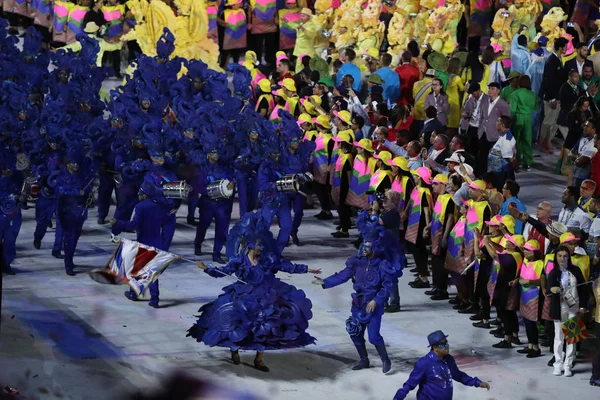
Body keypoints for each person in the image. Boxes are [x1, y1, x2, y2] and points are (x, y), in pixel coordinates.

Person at [189, 211, 320, 373]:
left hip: (266, 295)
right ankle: (235, 349)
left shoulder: (268, 259)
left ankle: (259, 358)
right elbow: (222, 272)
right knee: (236, 324)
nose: (260, 248)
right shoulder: (239, 260)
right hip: (244, 295)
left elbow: (287, 266)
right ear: (249, 245)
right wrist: (206, 269)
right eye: (257, 245)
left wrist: (307, 269)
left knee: (268, 327)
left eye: (261, 244)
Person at [314, 212, 403, 374]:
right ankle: (364, 360)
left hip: (373, 306)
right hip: (358, 303)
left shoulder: (382, 265)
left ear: (375, 247)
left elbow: (387, 287)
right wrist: (325, 282)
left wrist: (376, 300)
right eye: (363, 245)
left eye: (368, 246)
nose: (364, 248)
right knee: (354, 332)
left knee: (374, 337)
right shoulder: (356, 262)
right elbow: (343, 275)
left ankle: (385, 359)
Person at [111, 182, 164, 308]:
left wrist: (117, 223)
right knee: (152, 272)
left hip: (144, 242)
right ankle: (155, 299)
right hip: (157, 242)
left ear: (144, 194)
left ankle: (133, 294)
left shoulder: (140, 207)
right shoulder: (159, 206)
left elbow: (133, 225)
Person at [393, 330, 490, 399]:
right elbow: (410, 384)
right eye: (443, 344)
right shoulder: (424, 363)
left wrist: (476, 382)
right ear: (435, 347)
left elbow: (458, 375)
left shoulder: (449, 360)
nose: (447, 346)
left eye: (447, 343)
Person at [547, 246, 589, 377]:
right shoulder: (554, 272)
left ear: (568, 257)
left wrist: (583, 306)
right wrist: (552, 290)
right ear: (556, 257)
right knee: (558, 337)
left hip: (574, 307)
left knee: (572, 337)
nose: (562, 258)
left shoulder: (575, 270)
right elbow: (549, 288)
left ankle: (568, 365)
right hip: (559, 308)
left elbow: (584, 290)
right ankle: (558, 364)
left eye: (565, 256)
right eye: (559, 256)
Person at [513, 239, 545, 358]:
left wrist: (529, 281)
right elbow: (522, 276)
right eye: (524, 249)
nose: (525, 252)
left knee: (532, 322)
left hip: (534, 296)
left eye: (528, 250)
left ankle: (536, 347)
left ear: (535, 252)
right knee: (526, 321)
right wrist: (517, 281)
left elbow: (542, 281)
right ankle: (530, 345)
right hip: (524, 295)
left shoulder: (541, 264)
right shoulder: (525, 261)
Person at [428, 174, 455, 301]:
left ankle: (442, 289)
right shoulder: (439, 198)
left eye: (435, 183)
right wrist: (427, 227)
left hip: (442, 235)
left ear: (443, 185)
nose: (432, 186)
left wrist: (445, 236)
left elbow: (450, 218)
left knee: (441, 263)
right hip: (435, 235)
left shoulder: (449, 199)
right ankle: (436, 286)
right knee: (435, 261)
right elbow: (436, 216)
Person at [406, 167, 433, 289]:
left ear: (420, 178)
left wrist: (427, 228)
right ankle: (421, 275)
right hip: (412, 223)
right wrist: (405, 212)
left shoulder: (425, 193)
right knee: (416, 250)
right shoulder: (416, 189)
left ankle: (424, 278)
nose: (414, 177)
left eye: (416, 176)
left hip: (420, 226)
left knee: (419, 251)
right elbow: (410, 203)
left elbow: (427, 211)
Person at [540, 37, 569, 153]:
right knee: (548, 121)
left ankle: (548, 142)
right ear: (561, 48)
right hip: (551, 98)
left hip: (556, 97)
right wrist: (552, 98)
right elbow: (549, 81)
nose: (567, 48)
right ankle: (544, 142)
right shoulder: (552, 61)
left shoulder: (557, 60)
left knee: (553, 121)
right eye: (566, 46)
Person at [477, 82, 510, 176]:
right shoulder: (485, 101)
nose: (490, 90)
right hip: (483, 133)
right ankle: (481, 177)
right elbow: (482, 117)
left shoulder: (503, 104)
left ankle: (493, 178)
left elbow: (506, 121)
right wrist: (480, 129)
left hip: (495, 136)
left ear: (498, 91)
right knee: (482, 158)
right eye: (489, 88)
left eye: (493, 89)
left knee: (493, 160)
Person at [510, 75, 538, 170]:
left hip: (518, 117)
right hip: (528, 118)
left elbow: (512, 109)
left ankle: (516, 161)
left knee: (516, 140)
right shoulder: (532, 94)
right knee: (527, 140)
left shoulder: (515, 94)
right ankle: (528, 162)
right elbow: (535, 107)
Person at [487, 115, 516, 190]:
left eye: (497, 121)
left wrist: (512, 170)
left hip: (500, 173)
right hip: (496, 171)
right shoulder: (502, 136)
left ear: (502, 125)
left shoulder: (506, 139)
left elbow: (509, 158)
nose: (495, 123)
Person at [218, 0, 247, 68]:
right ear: (233, 5)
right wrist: (223, 23)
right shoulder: (225, 13)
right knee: (225, 53)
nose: (241, 4)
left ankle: (236, 66)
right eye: (238, 3)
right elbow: (220, 23)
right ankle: (222, 67)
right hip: (228, 38)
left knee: (236, 53)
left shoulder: (242, 11)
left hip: (238, 38)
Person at [570, 119, 598, 188]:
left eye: (587, 126)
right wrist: (579, 157)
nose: (584, 127)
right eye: (584, 126)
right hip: (575, 174)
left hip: (584, 178)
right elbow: (570, 154)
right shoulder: (582, 138)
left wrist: (576, 157)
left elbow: (579, 162)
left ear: (593, 129)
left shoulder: (593, 145)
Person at [557, 70, 583, 140]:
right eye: (575, 77)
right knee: (569, 141)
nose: (577, 79)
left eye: (578, 77)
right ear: (570, 77)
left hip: (573, 119)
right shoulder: (565, 88)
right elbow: (565, 103)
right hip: (565, 118)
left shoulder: (578, 88)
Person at [461, 82, 483, 154]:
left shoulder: (487, 100)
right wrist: (466, 114)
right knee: (469, 149)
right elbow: (465, 110)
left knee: (479, 150)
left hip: (480, 128)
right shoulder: (470, 98)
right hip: (471, 127)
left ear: (478, 91)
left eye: (473, 93)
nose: (472, 95)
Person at [445, 57, 464, 132]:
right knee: (454, 123)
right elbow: (462, 89)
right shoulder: (458, 78)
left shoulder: (445, 77)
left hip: (446, 101)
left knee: (447, 122)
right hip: (454, 102)